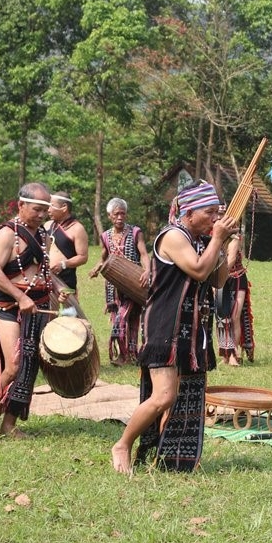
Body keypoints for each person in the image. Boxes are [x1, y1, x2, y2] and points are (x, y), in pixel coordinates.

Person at [111, 181, 238, 474]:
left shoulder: (202, 239)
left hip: (192, 327)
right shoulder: (173, 236)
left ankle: (169, 457)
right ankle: (122, 444)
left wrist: (224, 246)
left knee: (183, 398)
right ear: (189, 213)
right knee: (164, 396)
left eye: (218, 213)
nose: (215, 219)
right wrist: (218, 238)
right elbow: (197, 269)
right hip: (165, 325)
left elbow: (217, 281)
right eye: (209, 213)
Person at [0, 183, 54, 438]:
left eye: (45, 210)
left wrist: (57, 289)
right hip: (9, 306)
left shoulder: (43, 235)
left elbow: (43, 271)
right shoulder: (7, 234)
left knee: (30, 366)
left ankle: (10, 424)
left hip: (39, 306)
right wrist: (20, 297)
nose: (42, 215)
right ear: (21, 205)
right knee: (15, 364)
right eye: (36, 209)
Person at [88, 198, 150, 365]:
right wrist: (96, 268)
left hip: (132, 281)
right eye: (116, 214)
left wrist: (147, 270)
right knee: (121, 316)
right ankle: (129, 354)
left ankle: (126, 355)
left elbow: (144, 254)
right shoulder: (105, 236)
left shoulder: (136, 232)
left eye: (123, 213)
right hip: (113, 286)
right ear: (109, 216)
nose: (120, 217)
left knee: (125, 318)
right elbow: (104, 257)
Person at [215, 213, 255, 367]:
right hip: (220, 279)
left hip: (236, 279)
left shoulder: (234, 240)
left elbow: (230, 261)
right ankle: (225, 354)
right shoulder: (215, 239)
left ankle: (233, 353)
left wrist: (215, 276)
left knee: (234, 316)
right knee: (221, 318)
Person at [43, 191, 89, 295]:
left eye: (51, 206)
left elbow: (83, 257)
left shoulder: (77, 229)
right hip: (46, 279)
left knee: (69, 311)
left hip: (66, 281)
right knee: (49, 310)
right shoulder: (47, 225)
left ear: (64, 207)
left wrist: (63, 264)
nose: (48, 209)